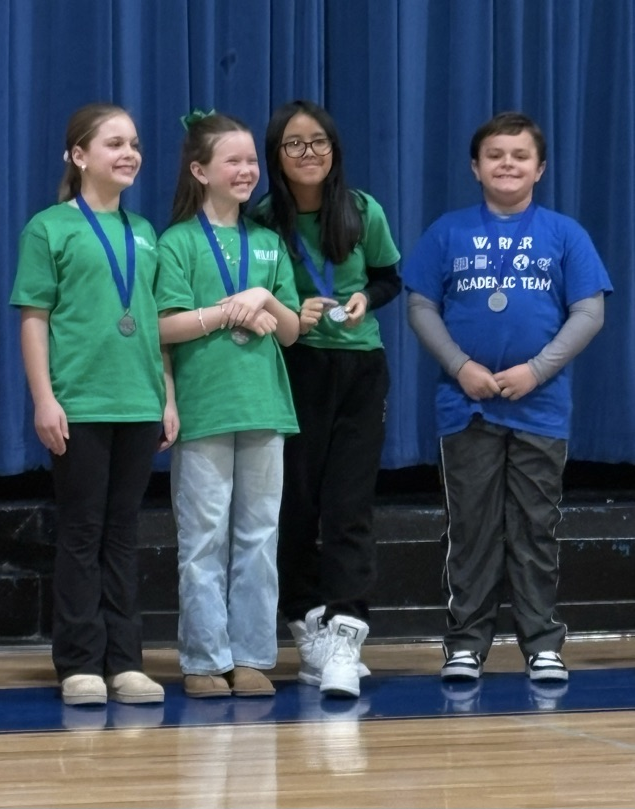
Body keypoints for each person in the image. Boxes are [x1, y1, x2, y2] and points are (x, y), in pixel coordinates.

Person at [402, 111, 612, 683]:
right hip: (465, 405)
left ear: (539, 168)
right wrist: (460, 365)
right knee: (469, 527)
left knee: (535, 527)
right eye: (495, 155)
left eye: (520, 156)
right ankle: (466, 644)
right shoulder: (448, 231)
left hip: (539, 408)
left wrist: (536, 371)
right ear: (476, 167)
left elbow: (590, 312)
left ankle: (542, 642)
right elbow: (420, 305)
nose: (507, 164)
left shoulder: (565, 234)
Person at [11, 103, 178, 707]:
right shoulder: (49, 228)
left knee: (123, 533)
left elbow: (154, 321)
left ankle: (125, 661)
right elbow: (35, 319)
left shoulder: (144, 233)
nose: (129, 153)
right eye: (114, 143)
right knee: (82, 531)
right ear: (80, 156)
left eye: (134, 143)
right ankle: (80, 662)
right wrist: (43, 399)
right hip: (79, 402)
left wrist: (167, 393)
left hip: (138, 401)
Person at [253, 100, 402, 699]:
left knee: (348, 506)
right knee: (295, 505)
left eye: (318, 142)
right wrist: (293, 312)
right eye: (293, 144)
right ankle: (308, 624)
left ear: (334, 150)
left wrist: (368, 298)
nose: (307, 153)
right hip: (295, 367)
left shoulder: (362, 210)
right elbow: (255, 294)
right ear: (276, 156)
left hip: (360, 370)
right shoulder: (264, 219)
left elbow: (391, 276)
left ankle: (346, 630)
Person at [155, 110, 300, 699]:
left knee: (260, 536)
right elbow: (164, 326)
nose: (247, 170)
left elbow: (290, 331)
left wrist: (263, 295)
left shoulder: (267, 244)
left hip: (264, 407)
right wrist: (226, 312)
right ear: (200, 170)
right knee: (204, 536)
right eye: (232, 161)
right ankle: (203, 657)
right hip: (205, 408)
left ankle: (252, 656)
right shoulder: (178, 242)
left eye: (251, 161)